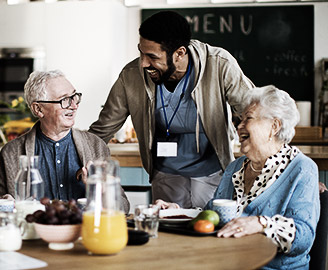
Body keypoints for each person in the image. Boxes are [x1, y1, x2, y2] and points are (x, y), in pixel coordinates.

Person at [88, 11, 255, 209]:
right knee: (169, 233)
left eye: (152, 56)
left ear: (179, 53)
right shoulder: (131, 76)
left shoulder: (219, 64)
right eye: (141, 53)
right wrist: (83, 159)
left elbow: (254, 111)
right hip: (165, 174)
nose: (143, 63)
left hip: (212, 173)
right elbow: (103, 129)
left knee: (209, 229)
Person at [205, 86, 319, 269]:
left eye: (248, 118)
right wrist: (177, 212)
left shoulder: (302, 169)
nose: (239, 126)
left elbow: (303, 237)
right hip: (228, 263)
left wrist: (261, 223)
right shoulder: (235, 167)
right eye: (239, 119)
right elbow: (212, 214)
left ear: (274, 126)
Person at [0, 70, 130, 213]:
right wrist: (3, 206)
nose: (74, 105)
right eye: (64, 100)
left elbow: (123, 207)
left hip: (84, 234)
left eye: (74, 97)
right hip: (34, 234)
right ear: (38, 109)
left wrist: (101, 190)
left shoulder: (96, 146)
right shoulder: (10, 153)